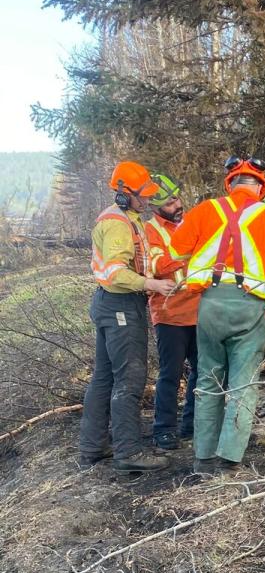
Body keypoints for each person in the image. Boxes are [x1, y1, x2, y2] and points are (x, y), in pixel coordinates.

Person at [156, 156, 265, 473]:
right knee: (243, 385)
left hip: (210, 305)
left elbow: (173, 256)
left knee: (209, 379)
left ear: (231, 183)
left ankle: (203, 458)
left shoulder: (205, 211)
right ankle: (228, 460)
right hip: (249, 308)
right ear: (261, 187)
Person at [79, 161, 176, 474]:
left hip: (110, 303)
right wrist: (151, 284)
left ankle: (93, 446)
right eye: (141, 194)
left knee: (104, 377)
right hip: (121, 305)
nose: (146, 199)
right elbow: (116, 272)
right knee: (129, 379)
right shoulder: (119, 223)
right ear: (123, 194)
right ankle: (129, 452)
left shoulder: (124, 218)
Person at [143, 174, 199, 449]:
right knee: (171, 373)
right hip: (169, 314)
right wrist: (187, 252)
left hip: (200, 310)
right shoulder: (151, 229)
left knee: (203, 370)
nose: (177, 205)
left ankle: (192, 424)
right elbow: (157, 266)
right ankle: (163, 429)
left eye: (177, 198)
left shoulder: (191, 221)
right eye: (169, 202)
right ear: (155, 206)